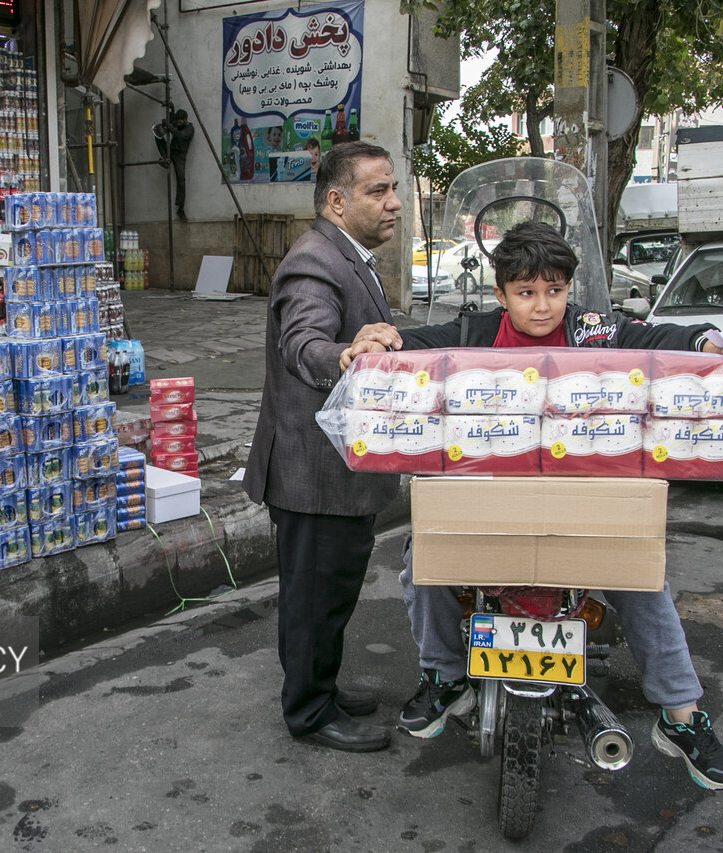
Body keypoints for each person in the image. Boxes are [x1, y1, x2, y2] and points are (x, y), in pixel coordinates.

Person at [343, 221, 723, 790]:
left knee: (643, 578)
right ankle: (444, 677)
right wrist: (379, 340)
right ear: (501, 294)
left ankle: (681, 717)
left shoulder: (594, 331)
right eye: (527, 293)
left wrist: (707, 339)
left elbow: (657, 339)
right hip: (485, 497)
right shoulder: (475, 333)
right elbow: (414, 343)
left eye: (554, 291)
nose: (542, 306)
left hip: (583, 499)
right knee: (424, 562)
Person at [244, 141, 404, 753]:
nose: (392, 203)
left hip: (339, 469)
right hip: (312, 471)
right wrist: (342, 354)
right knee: (313, 599)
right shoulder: (313, 261)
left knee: (330, 595)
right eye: (376, 191)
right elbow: (303, 339)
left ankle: (321, 687)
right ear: (336, 201)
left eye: (392, 189)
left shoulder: (351, 256)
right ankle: (309, 712)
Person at [157, 108, 194, 221]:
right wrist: (170, 110)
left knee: (181, 181)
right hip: (171, 151)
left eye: (180, 121)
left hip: (180, 156)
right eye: (177, 121)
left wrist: (169, 126)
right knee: (157, 135)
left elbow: (180, 136)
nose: (178, 123)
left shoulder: (189, 129)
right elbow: (171, 119)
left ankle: (181, 208)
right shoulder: (178, 124)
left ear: (185, 119)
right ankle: (165, 159)